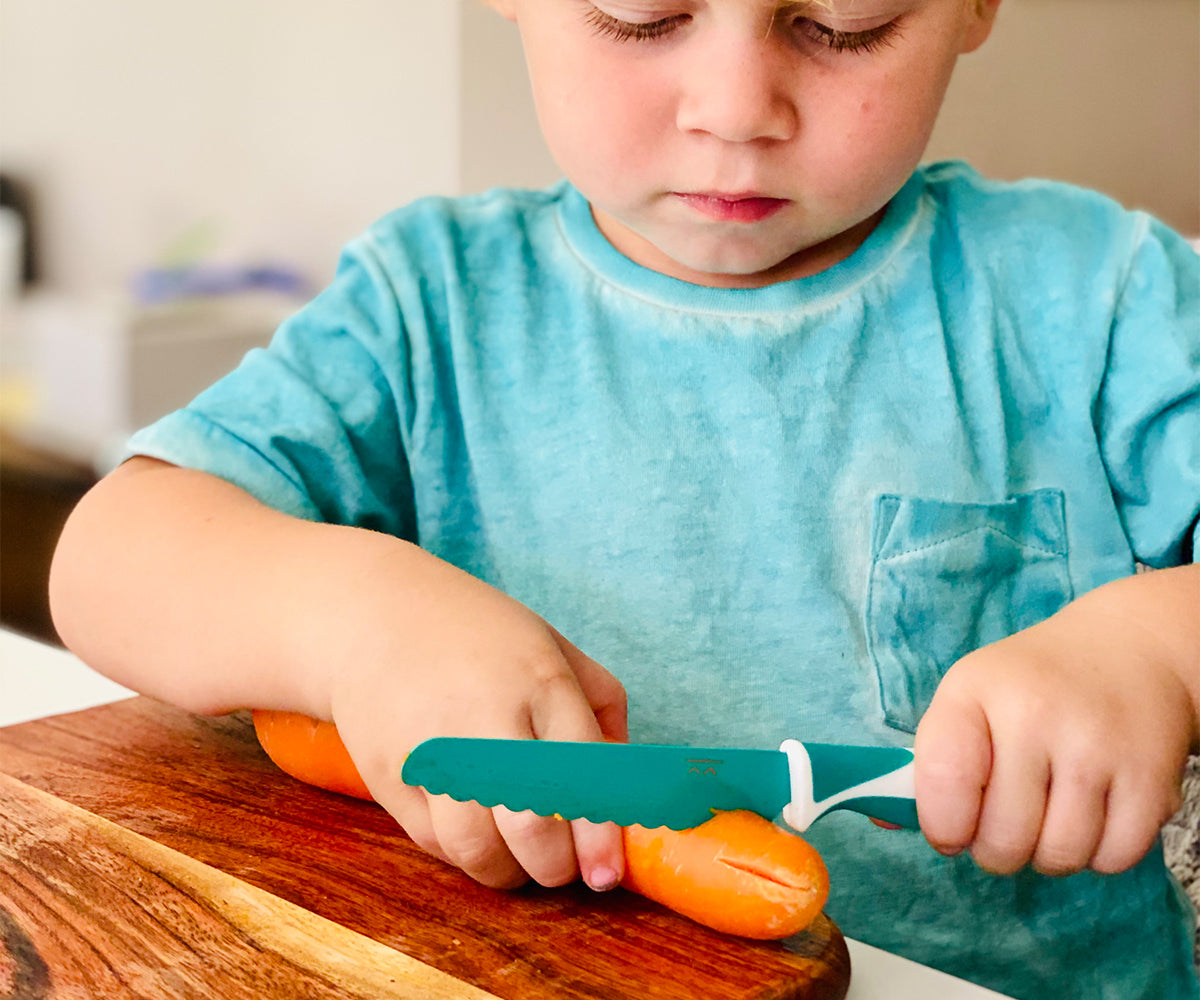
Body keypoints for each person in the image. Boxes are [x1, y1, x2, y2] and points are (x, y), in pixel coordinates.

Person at [49, 1, 1199, 997]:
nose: (737, 108)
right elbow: (110, 556)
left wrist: (1155, 647)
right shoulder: (432, 306)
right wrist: (353, 619)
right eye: (643, 15)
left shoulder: (1100, 297)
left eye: (843, 22)